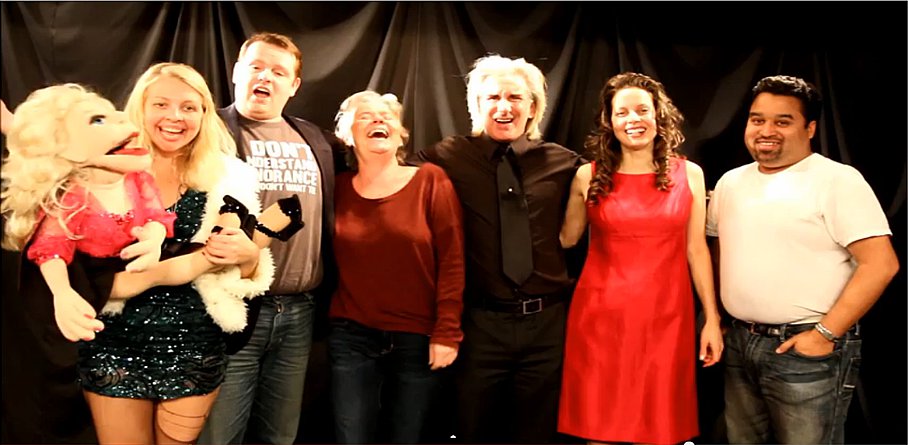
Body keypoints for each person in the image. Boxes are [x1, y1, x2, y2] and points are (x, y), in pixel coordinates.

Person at [74, 62, 280, 444]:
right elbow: (78, 264)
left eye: (189, 107)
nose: (175, 117)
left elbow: (249, 270)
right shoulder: (102, 170)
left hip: (194, 342)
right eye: (161, 104)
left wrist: (246, 255)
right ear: (140, 108)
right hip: (113, 339)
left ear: (204, 113)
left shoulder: (230, 176)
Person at [706, 75, 899, 444]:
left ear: (809, 128)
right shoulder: (732, 182)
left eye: (783, 121)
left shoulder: (836, 181)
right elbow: (718, 248)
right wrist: (721, 313)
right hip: (741, 343)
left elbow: (881, 263)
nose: (767, 130)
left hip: (805, 349)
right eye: (757, 119)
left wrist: (825, 334)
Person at [414, 54, 584, 444]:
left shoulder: (565, 162)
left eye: (515, 97)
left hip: (548, 325)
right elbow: (390, 177)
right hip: (479, 325)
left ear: (533, 108)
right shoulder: (446, 156)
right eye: (492, 98)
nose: (504, 107)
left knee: (539, 434)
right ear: (476, 105)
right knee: (472, 428)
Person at [557, 72, 723, 444]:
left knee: (660, 428)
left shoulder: (689, 174)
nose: (633, 119)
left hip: (668, 319)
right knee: (599, 427)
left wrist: (711, 319)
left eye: (642, 110)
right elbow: (566, 240)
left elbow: (696, 250)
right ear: (609, 121)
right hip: (600, 320)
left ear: (658, 116)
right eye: (623, 112)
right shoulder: (588, 176)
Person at [201, 31, 341, 445]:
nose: (266, 77)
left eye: (279, 72)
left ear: (294, 86)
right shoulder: (209, 131)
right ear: (236, 73)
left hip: (300, 313)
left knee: (280, 435)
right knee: (219, 434)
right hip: (232, 309)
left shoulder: (314, 138)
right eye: (256, 67)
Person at [328, 90, 464, 444]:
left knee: (409, 436)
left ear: (401, 133)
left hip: (417, 337)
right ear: (346, 134)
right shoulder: (338, 188)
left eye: (387, 116)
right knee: (351, 436)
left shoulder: (431, 180)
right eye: (366, 116)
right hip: (352, 335)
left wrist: (447, 332)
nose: (378, 120)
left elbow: (452, 260)